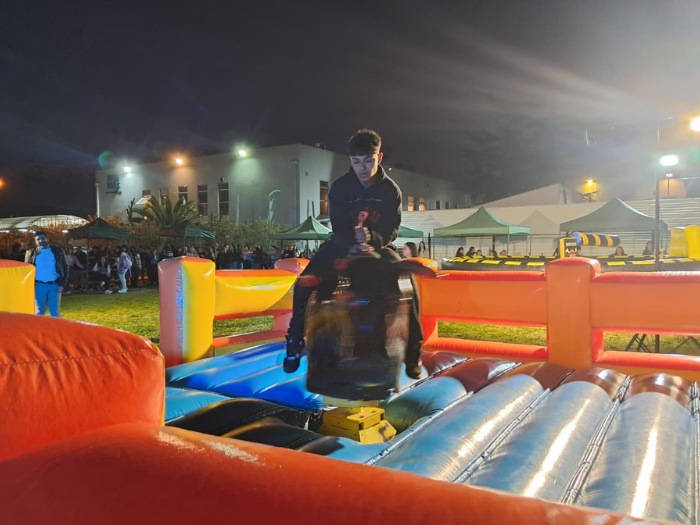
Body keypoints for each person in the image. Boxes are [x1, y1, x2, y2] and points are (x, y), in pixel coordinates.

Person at [284, 129, 423, 379]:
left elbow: (391, 229)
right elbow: (338, 226)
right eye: (356, 162)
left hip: (379, 247)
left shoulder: (390, 190)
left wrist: (373, 240)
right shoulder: (340, 187)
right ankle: (294, 341)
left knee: (407, 282)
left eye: (368, 161)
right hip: (342, 244)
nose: (362, 168)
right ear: (350, 160)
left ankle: (413, 353)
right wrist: (352, 244)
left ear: (379, 157)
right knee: (305, 282)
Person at [24, 231, 68, 317]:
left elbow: (65, 268)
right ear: (35, 241)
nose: (41, 241)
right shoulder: (30, 253)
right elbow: (26, 270)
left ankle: (55, 327)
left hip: (55, 285)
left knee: (55, 313)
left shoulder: (57, 251)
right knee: (39, 313)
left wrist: (62, 284)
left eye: (43, 238)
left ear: (47, 238)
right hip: (38, 286)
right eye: (38, 239)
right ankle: (38, 327)